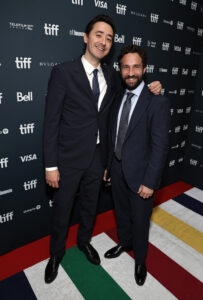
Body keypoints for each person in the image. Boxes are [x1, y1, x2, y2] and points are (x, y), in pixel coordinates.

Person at [43, 15, 162, 284]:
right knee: (62, 210)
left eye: (109, 38)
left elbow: (136, 86)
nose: (104, 42)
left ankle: (84, 242)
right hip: (68, 159)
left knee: (89, 207)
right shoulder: (63, 73)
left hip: (98, 159)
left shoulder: (112, 74)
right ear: (85, 38)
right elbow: (50, 123)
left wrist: (155, 85)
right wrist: (51, 165)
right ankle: (56, 254)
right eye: (99, 35)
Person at [103, 44, 170, 286]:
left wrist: (151, 182)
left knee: (141, 220)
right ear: (120, 69)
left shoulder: (157, 101)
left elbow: (161, 146)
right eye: (126, 67)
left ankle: (140, 260)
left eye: (136, 67)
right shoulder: (118, 95)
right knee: (121, 213)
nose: (131, 72)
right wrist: (110, 166)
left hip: (142, 174)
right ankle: (124, 242)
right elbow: (113, 135)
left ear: (144, 68)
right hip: (118, 169)